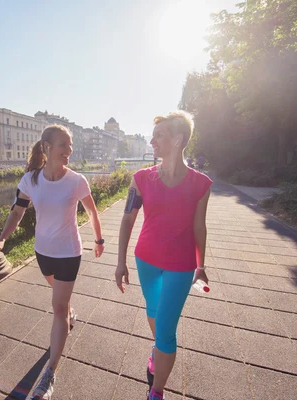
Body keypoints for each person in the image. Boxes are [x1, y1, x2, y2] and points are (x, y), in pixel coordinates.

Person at [0, 124, 105, 400]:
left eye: (70, 144)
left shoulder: (77, 181)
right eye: (64, 144)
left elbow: (92, 212)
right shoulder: (31, 180)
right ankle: (68, 313)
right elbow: (17, 211)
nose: (70, 150)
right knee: (59, 300)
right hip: (42, 252)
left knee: (58, 308)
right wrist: (2, 239)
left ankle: (49, 375)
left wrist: (98, 240)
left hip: (68, 252)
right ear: (47, 148)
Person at [115, 111, 212, 400]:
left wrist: (201, 265)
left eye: (159, 135)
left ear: (178, 139)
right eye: (153, 135)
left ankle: (156, 392)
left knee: (167, 330)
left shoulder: (200, 184)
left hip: (180, 266)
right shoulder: (141, 178)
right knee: (154, 311)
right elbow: (127, 219)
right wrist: (120, 262)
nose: (152, 140)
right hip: (145, 260)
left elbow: (199, 226)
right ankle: (156, 348)